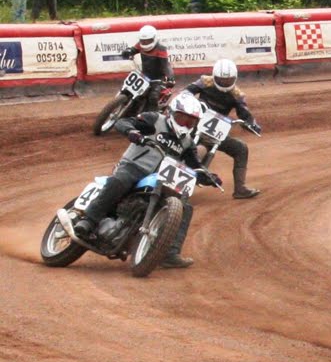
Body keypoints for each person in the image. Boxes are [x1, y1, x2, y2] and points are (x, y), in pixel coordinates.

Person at [73, 93, 220, 269]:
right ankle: (89, 220)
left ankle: (170, 253)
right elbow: (122, 122)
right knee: (121, 181)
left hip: (159, 179)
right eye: (182, 119)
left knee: (185, 207)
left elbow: (195, 164)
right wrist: (132, 132)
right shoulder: (154, 120)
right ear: (171, 113)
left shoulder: (187, 142)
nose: (185, 124)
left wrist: (208, 176)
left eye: (190, 122)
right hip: (134, 167)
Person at [182, 58, 261, 199]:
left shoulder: (237, 94)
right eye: (221, 79)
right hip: (194, 124)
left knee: (241, 148)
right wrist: (190, 100)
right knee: (182, 140)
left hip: (216, 132)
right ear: (214, 76)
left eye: (228, 80)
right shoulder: (205, 81)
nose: (224, 82)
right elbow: (187, 91)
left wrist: (252, 124)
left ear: (235, 78)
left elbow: (244, 113)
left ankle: (240, 188)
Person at [120, 25, 175, 113]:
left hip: (157, 78)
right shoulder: (140, 45)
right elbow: (133, 50)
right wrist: (128, 51)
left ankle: (152, 114)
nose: (145, 43)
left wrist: (170, 77)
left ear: (154, 38)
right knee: (127, 89)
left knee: (153, 97)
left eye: (148, 41)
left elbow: (166, 65)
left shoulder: (161, 49)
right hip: (143, 75)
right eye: (143, 41)